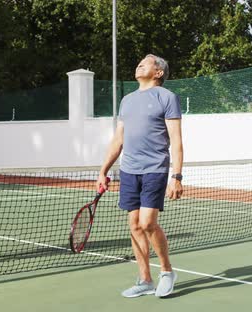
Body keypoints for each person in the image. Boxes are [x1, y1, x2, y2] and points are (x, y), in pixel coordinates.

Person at [96, 54, 183, 298]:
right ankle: (145, 279)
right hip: (129, 170)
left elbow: (176, 138)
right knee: (134, 225)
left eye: (147, 62)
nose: (139, 64)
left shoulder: (167, 97)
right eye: (139, 62)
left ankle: (167, 272)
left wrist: (177, 176)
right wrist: (103, 171)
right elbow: (118, 139)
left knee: (147, 223)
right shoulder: (127, 100)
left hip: (155, 168)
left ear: (158, 73)